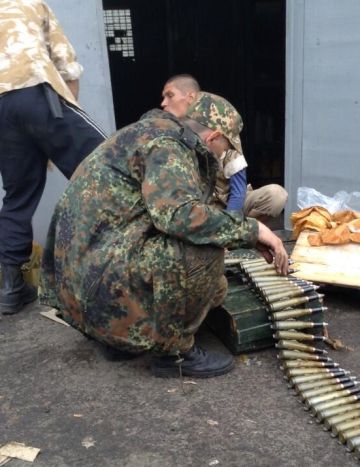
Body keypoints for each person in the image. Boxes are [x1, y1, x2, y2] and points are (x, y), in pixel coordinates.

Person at [40, 92, 289, 378]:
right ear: (214, 137)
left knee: (216, 287)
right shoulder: (169, 148)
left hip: (82, 289)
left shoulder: (147, 133)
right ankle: (174, 354)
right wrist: (253, 230)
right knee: (205, 252)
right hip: (101, 283)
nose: (224, 155)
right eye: (226, 147)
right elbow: (180, 217)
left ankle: (116, 336)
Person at [0, 0, 106, 315]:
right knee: (109, 163)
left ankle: (10, 288)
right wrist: (55, 130)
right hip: (36, 89)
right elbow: (66, 65)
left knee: (17, 197)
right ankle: (114, 267)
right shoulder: (33, 4)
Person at [161, 75, 288, 224]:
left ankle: (245, 231)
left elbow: (238, 193)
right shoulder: (176, 147)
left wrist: (230, 223)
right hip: (202, 211)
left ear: (214, 137)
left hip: (229, 205)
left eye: (170, 96)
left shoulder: (231, 154)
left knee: (276, 195)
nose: (163, 103)